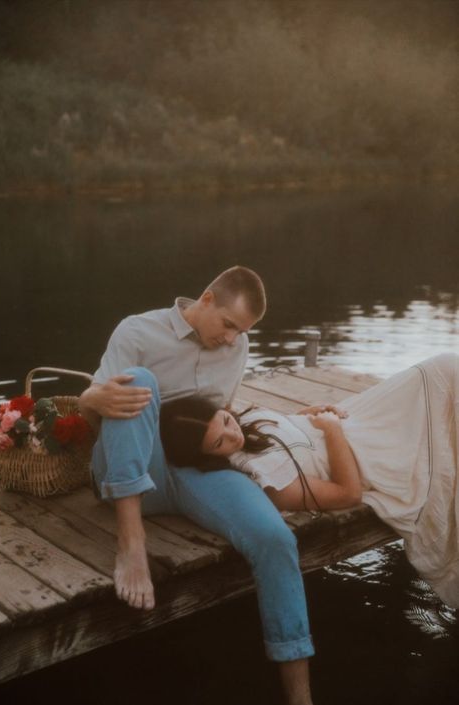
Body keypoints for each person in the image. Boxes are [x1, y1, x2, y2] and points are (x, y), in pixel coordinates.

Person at [79, 266, 315, 705]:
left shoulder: (237, 345)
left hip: (192, 470)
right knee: (139, 381)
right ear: (206, 299)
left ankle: (300, 698)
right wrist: (92, 396)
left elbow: (222, 414)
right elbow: (93, 405)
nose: (231, 339)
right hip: (126, 470)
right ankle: (132, 543)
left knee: (276, 538)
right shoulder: (138, 331)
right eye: (228, 324)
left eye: (241, 331)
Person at [159, 353, 459, 609]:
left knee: (443, 369)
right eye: (219, 443)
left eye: (225, 420)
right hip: (360, 449)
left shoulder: (247, 422)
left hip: (354, 417)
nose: (233, 435)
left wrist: (310, 414)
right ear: (207, 457)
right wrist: (331, 431)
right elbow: (348, 494)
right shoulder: (267, 480)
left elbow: (285, 430)